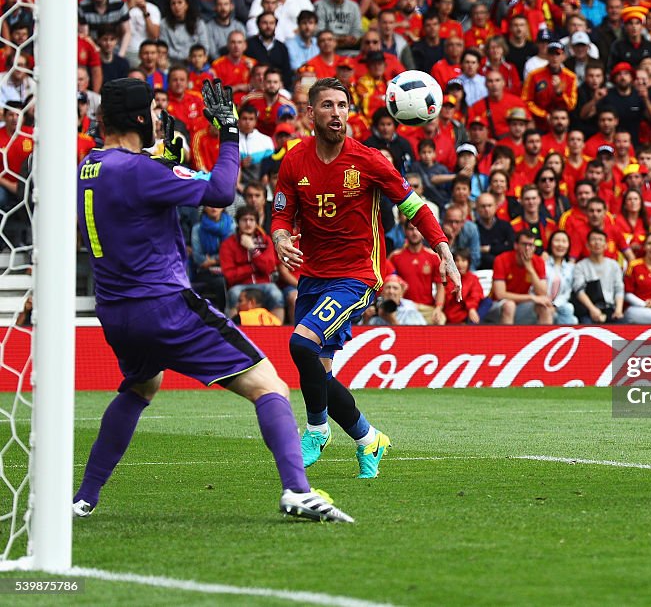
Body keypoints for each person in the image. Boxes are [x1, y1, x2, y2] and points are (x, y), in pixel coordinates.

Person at [73, 78, 350, 522]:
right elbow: (221, 191)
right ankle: (298, 490)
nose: (163, 121)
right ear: (142, 118)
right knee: (270, 386)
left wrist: (165, 157)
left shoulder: (89, 166)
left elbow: (132, 183)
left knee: (142, 386)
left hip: (115, 311)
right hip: (164, 305)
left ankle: (84, 497)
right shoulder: (144, 172)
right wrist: (228, 133)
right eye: (157, 114)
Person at [271, 77, 459, 475]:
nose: (336, 113)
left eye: (342, 105)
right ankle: (368, 439)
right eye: (327, 106)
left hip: (358, 275)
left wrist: (443, 249)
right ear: (310, 113)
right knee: (319, 372)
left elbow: (414, 207)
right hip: (313, 275)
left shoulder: (369, 160)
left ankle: (317, 430)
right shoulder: (294, 160)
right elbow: (282, 214)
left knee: (301, 345)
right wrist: (280, 236)